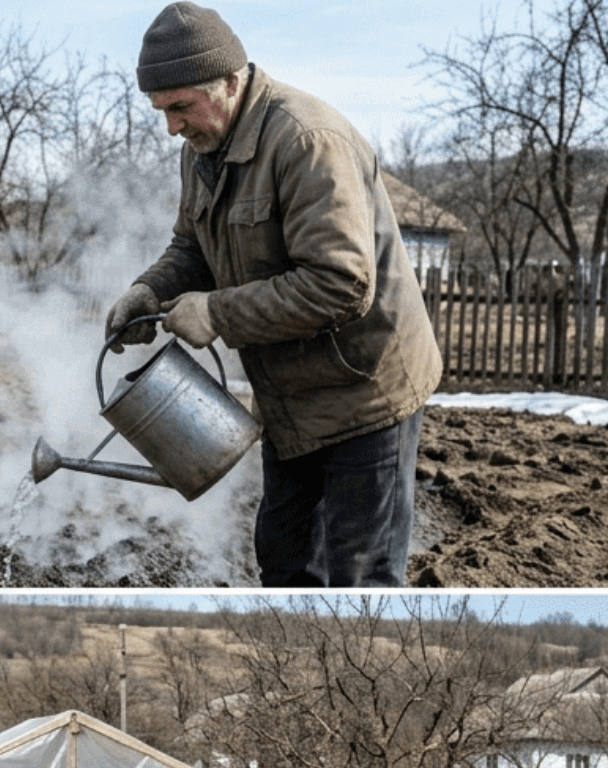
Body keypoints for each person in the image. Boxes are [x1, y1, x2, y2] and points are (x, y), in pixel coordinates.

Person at [104, 2, 443, 587]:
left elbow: (341, 284)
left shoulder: (308, 141)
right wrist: (148, 289)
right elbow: (193, 247)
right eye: (161, 111)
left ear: (230, 82)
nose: (171, 128)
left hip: (364, 393)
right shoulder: (204, 151)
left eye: (181, 107)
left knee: (360, 575)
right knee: (284, 559)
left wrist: (216, 312)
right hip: (290, 399)